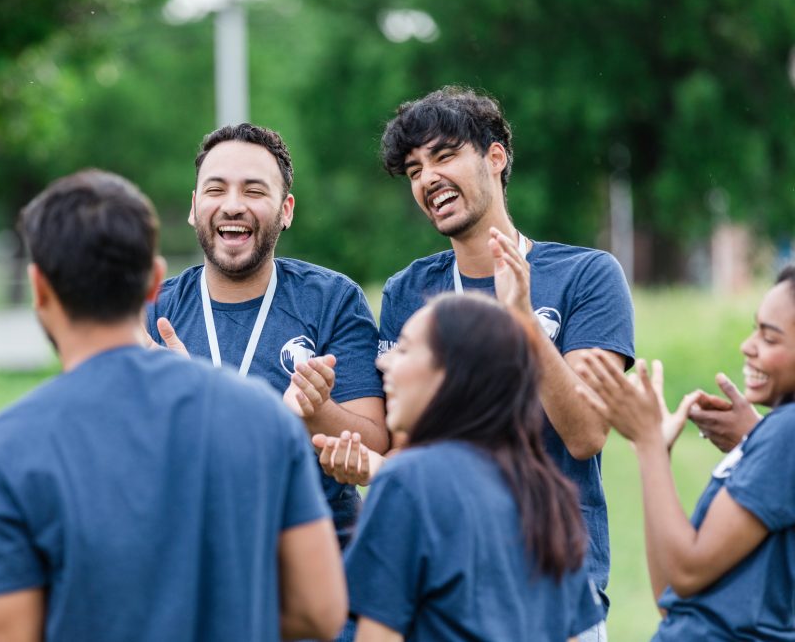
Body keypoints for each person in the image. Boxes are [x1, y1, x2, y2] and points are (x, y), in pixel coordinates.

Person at [0, 169, 347, 641]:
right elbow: (320, 612)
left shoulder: (1, 449)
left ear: (38, 288)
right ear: (154, 281)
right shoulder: (268, 418)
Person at [317, 87, 634, 639]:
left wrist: (522, 320)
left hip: (557, 583)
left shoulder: (587, 275)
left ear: (495, 156)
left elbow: (585, 434)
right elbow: (405, 447)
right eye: (414, 169)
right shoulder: (408, 291)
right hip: (446, 586)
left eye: (443, 156)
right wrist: (347, 442)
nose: (427, 179)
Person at [146, 123, 386, 549]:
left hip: (317, 560)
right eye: (216, 189)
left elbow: (374, 442)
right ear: (194, 205)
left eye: (254, 191)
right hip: (196, 556)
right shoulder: (154, 312)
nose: (233, 205)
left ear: (286, 209)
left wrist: (316, 411)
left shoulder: (332, 300)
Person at [345, 292, 604, 641]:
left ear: (453, 375)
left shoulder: (408, 480)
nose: (385, 362)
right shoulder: (548, 492)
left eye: (404, 349)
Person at [576, 266, 795, 640]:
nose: (748, 345)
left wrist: (648, 444)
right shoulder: (774, 434)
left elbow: (686, 572)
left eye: (770, 338)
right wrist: (752, 440)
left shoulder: (787, 432)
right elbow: (671, 597)